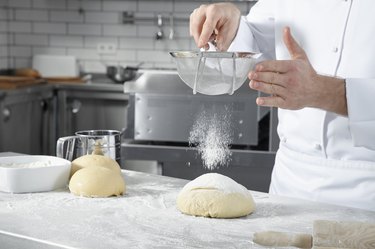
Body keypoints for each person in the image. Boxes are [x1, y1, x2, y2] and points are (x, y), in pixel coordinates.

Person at [190, 0, 375, 211]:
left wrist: (327, 92)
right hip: (290, 186)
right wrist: (232, 26)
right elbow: (253, 39)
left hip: (367, 194)